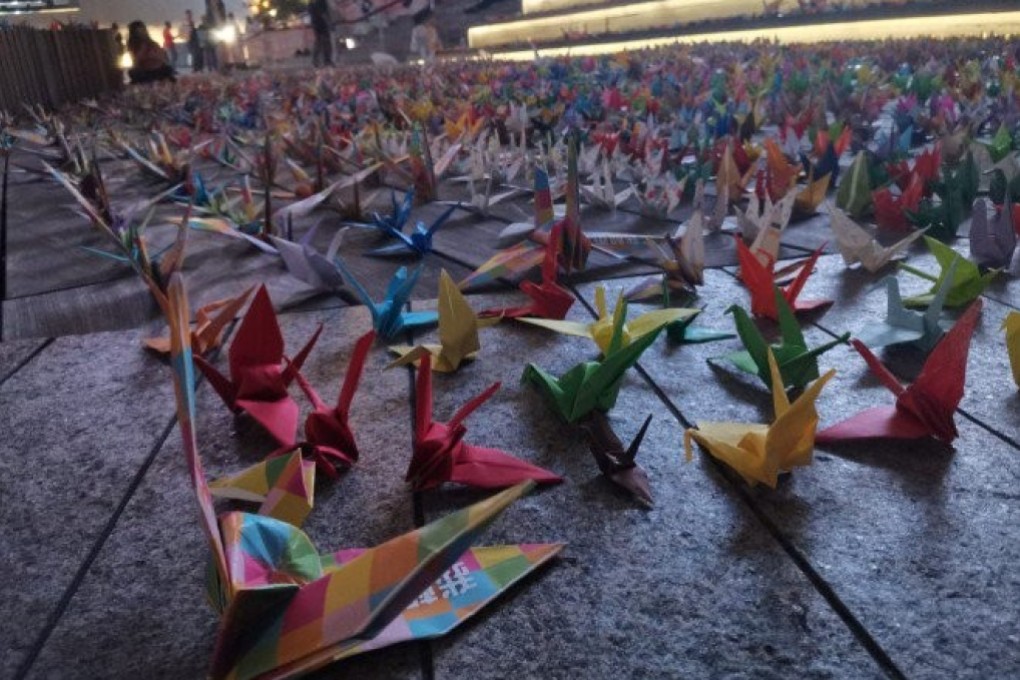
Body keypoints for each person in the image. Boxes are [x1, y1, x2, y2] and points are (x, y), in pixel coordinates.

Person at [309, 0, 333, 67]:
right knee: (326, 42)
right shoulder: (321, 1)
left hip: (315, 23)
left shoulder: (311, 2)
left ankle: (315, 60)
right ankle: (327, 60)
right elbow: (323, 13)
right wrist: (329, 23)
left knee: (318, 42)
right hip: (322, 24)